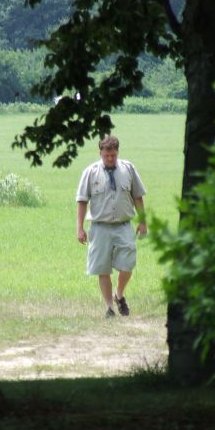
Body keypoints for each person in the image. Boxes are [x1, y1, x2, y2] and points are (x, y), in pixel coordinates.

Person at [76, 135, 147, 318]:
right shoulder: (90, 172)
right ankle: (109, 308)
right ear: (100, 153)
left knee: (128, 265)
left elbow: (138, 196)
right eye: (106, 155)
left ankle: (119, 294)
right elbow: (82, 201)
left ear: (117, 153)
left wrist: (143, 220)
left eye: (113, 155)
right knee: (102, 268)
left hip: (124, 225)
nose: (110, 159)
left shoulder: (128, 169)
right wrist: (80, 227)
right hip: (100, 227)